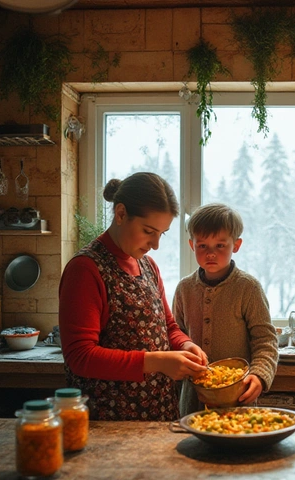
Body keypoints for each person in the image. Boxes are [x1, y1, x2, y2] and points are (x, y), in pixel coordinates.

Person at [59, 172, 208, 421]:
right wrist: (157, 361)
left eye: (162, 233)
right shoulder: (85, 269)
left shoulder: (148, 266)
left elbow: (167, 327)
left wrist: (185, 344)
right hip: (111, 419)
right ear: (120, 214)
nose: (156, 244)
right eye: (149, 230)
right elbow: (80, 357)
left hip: (159, 413)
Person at [173, 203, 278, 416]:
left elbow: (266, 341)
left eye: (220, 246)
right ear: (192, 245)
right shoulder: (184, 289)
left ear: (236, 245)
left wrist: (259, 375)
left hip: (238, 398)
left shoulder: (248, 288)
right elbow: (176, 334)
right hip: (192, 399)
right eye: (203, 246)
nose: (211, 253)